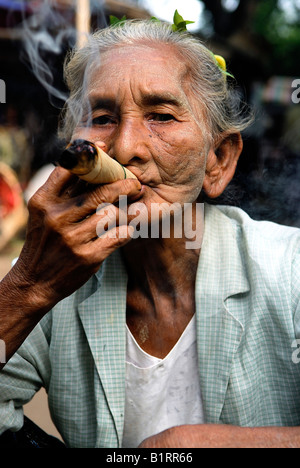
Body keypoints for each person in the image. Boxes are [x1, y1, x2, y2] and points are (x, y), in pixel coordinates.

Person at [1, 19, 300, 448]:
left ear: (218, 160)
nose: (125, 148)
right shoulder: (50, 278)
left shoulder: (290, 270)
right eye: (102, 118)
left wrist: (202, 445)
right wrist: (28, 286)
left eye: (160, 116)